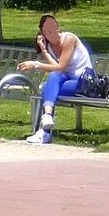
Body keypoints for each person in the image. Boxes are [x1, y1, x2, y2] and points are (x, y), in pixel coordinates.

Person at [17, 12, 93, 143]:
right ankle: (47, 120)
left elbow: (61, 67)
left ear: (58, 28)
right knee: (53, 80)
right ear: (42, 32)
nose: (51, 33)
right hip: (68, 81)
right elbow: (56, 68)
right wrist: (43, 49)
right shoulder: (48, 45)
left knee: (48, 88)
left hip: (85, 83)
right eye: (47, 31)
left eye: (53, 29)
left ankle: (44, 130)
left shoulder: (69, 39)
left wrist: (36, 64)